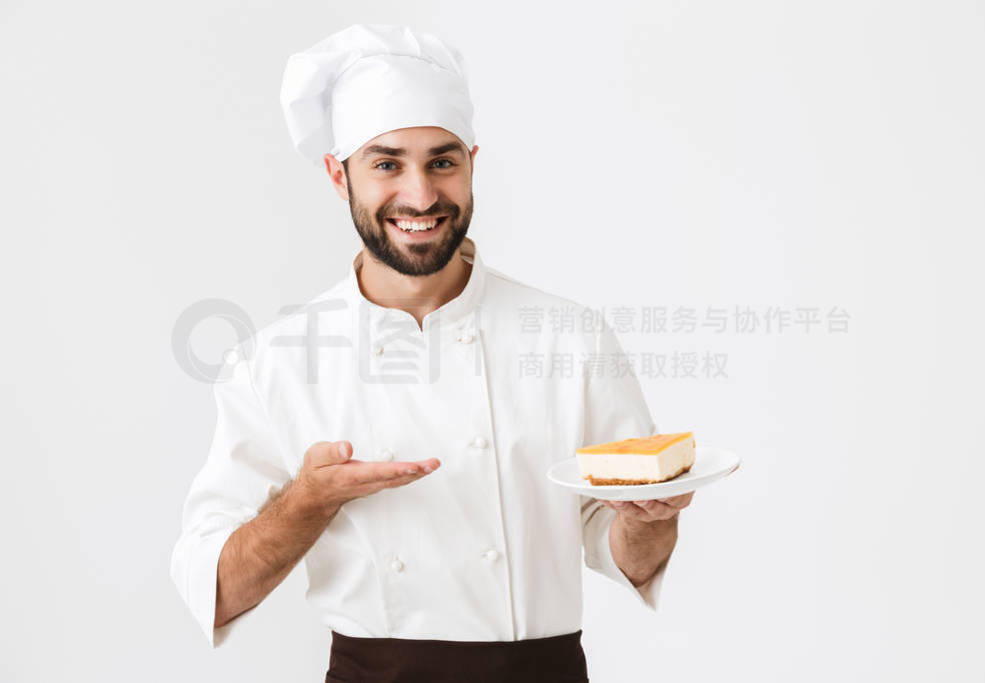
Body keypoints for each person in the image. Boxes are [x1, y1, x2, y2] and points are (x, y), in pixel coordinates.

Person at [170, 23, 693, 683]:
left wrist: (650, 522)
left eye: (442, 161)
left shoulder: (569, 337)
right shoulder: (275, 362)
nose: (420, 196)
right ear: (339, 175)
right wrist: (306, 500)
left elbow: (628, 553)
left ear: (472, 160)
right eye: (386, 163)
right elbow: (216, 588)